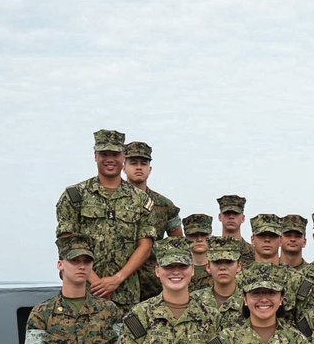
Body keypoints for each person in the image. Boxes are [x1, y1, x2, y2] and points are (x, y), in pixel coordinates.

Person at [55, 129, 157, 310]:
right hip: (83, 293)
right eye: (104, 153)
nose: (109, 159)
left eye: (115, 154)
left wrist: (116, 279)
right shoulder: (75, 196)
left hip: (126, 296)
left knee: (125, 339)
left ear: (123, 157)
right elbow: (66, 243)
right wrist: (96, 282)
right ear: (95, 156)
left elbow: (145, 246)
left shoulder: (141, 200)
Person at [123, 141, 183, 301]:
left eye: (143, 163)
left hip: (152, 286)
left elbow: (178, 247)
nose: (138, 167)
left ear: (149, 169)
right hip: (118, 284)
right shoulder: (110, 203)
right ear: (124, 167)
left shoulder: (164, 205)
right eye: (133, 163)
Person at [217, 195, 256, 265]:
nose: (231, 217)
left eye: (236, 213)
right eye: (227, 213)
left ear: (243, 218)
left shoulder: (254, 253)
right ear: (220, 217)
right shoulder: (211, 250)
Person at [183, 214, 214, 292]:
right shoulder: (178, 269)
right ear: (185, 238)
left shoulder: (219, 268)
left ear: (211, 236)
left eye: (204, 235)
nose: (199, 239)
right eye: (193, 235)